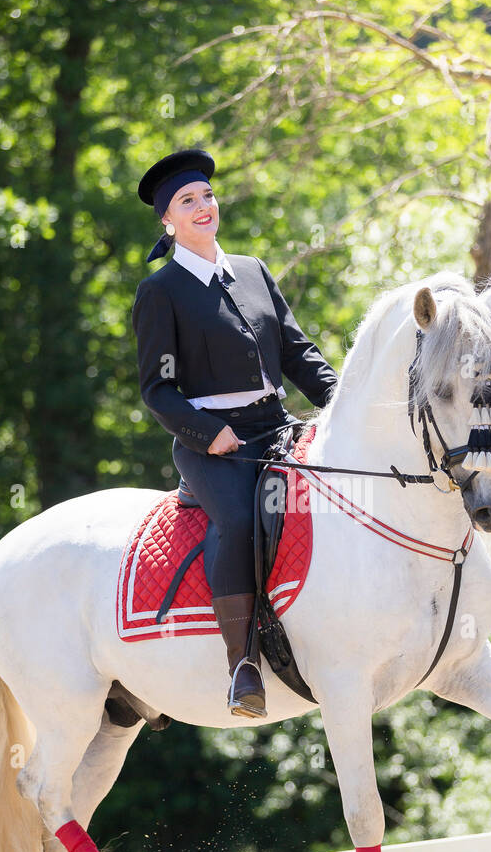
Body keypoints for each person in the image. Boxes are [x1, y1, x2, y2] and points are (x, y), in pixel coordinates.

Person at [132, 148, 338, 718]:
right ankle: (243, 664)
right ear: (167, 221)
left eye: (208, 196)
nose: (204, 207)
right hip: (213, 445)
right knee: (243, 519)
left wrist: (341, 403)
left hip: (276, 424)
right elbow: (157, 390)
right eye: (187, 201)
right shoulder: (160, 292)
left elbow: (298, 353)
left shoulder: (252, 270)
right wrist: (206, 432)